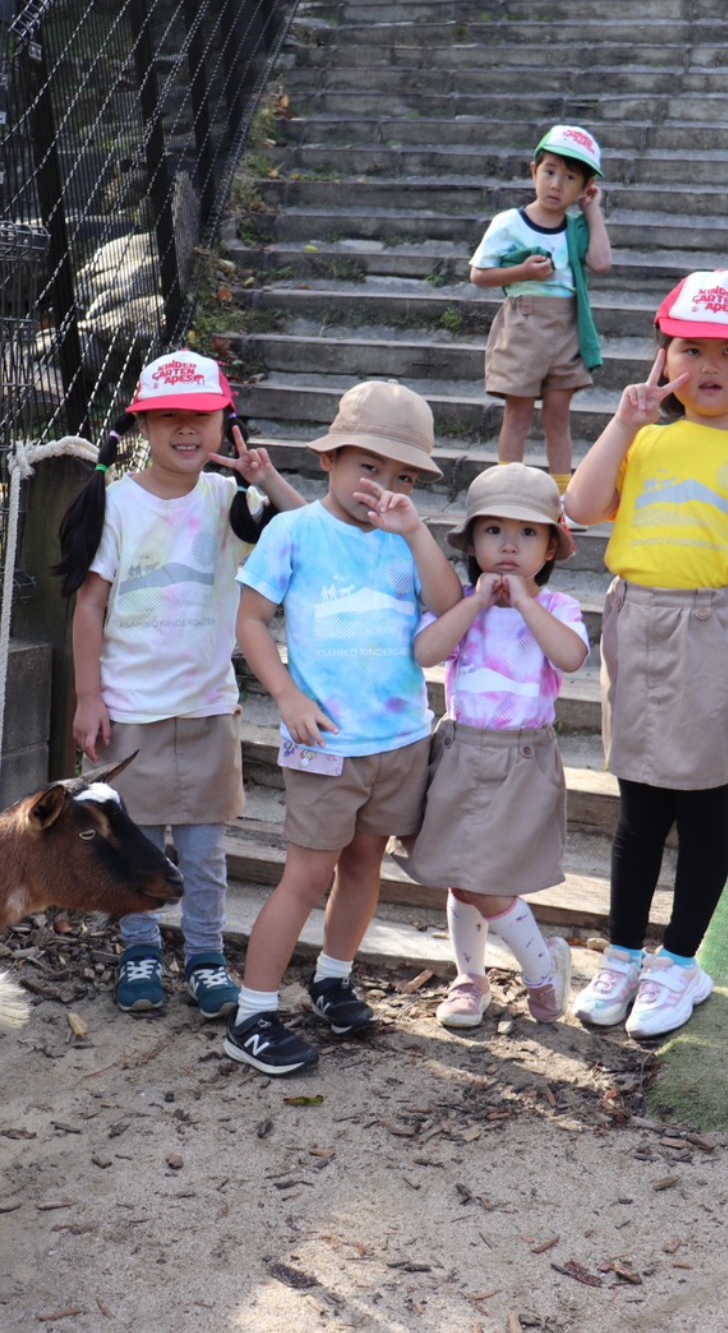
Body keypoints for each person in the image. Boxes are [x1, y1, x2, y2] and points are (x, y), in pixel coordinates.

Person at [562, 270, 728, 1039]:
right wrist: (623, 423)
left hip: (720, 631)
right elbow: (579, 507)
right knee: (639, 807)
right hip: (638, 623)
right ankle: (623, 956)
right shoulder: (646, 438)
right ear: (664, 355)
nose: (708, 367)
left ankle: (678, 963)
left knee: (705, 807)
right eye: (690, 348)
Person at [55, 349, 305, 1022]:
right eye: (167, 417)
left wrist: (267, 477)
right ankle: (139, 949)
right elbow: (88, 604)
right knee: (129, 846)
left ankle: (203, 956)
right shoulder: (117, 502)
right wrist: (88, 695)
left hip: (205, 707)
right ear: (142, 426)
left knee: (203, 851)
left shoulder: (234, 500)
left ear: (227, 423)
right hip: (127, 711)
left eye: (200, 416)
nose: (185, 430)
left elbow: (313, 534)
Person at [224, 381, 464, 1075]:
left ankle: (332, 977)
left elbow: (448, 608)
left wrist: (415, 530)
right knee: (305, 876)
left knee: (364, 865)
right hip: (326, 744)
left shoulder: (401, 542)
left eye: (403, 476)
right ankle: (253, 1014)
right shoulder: (294, 531)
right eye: (369, 467)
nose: (382, 487)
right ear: (328, 460)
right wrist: (288, 695)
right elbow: (250, 621)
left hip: (400, 742)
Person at [393, 463, 590, 1029]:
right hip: (459, 750)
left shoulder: (556, 609)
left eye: (528, 533)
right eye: (494, 531)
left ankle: (541, 969)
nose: (509, 546)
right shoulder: (462, 604)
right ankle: (469, 979)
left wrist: (525, 602)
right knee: (460, 874)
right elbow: (427, 652)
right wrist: (474, 604)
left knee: (488, 881)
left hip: (523, 758)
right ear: (473, 542)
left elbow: (571, 658)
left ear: (551, 547)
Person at [469, 125, 614, 498]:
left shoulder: (576, 227)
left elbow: (601, 262)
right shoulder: (509, 223)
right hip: (524, 321)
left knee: (558, 415)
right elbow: (479, 274)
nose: (556, 184)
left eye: (570, 178)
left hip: (567, 324)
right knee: (517, 413)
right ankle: (506, 492)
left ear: (584, 188)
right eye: (549, 172)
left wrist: (593, 213)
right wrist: (523, 272)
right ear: (534, 171)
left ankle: (561, 496)